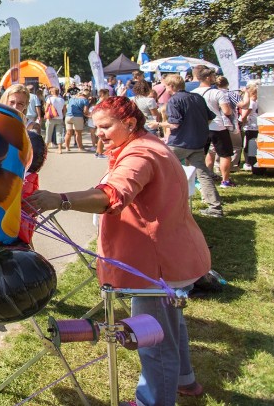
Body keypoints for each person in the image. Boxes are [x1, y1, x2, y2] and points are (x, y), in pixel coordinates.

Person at [28, 96, 210, 405]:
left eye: (105, 126)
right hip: (170, 258)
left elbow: (113, 196)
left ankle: (153, 400)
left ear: (129, 123)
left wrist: (59, 199)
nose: (98, 132)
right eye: (95, 126)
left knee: (152, 338)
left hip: (156, 266)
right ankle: (184, 380)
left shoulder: (139, 154)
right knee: (171, 324)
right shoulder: (145, 144)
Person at [159, 74, 224, 218]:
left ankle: (165, 205)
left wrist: (158, 124)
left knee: (162, 170)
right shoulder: (197, 97)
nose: (165, 89)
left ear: (171, 86)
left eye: (166, 86)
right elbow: (209, 117)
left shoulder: (174, 100)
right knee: (203, 174)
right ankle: (215, 207)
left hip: (179, 143)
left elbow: (175, 124)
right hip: (197, 142)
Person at [192, 66, 235, 187]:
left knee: (205, 153)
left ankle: (207, 176)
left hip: (201, 128)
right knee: (225, 154)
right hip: (218, 126)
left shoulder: (193, 93)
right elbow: (227, 111)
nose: (214, 78)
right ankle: (225, 180)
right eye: (212, 76)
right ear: (207, 77)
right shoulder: (217, 92)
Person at [237, 80, 259, 170]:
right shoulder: (254, 102)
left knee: (249, 144)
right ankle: (249, 162)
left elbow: (244, 116)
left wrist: (244, 122)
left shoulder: (252, 102)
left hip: (252, 126)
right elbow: (244, 116)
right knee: (250, 145)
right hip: (252, 126)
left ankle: (249, 162)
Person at [44, 87, 66, 154]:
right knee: (59, 133)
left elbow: (46, 109)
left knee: (48, 133)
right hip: (59, 118)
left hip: (51, 118)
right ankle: (60, 149)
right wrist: (62, 115)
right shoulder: (62, 100)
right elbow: (64, 110)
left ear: (52, 92)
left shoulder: (49, 99)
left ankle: (46, 149)